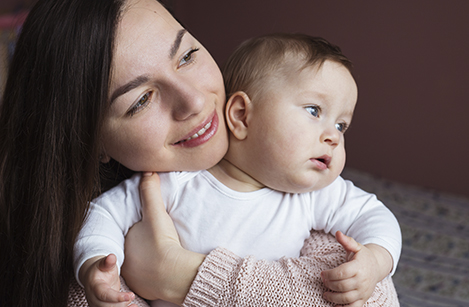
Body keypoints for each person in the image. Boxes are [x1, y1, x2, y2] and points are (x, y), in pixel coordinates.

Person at [0, 0, 399, 306]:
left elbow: (375, 293)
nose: (193, 101)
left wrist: (177, 274)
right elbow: (100, 220)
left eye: (187, 55)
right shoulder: (152, 196)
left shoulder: (307, 191)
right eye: (140, 100)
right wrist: (95, 266)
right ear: (92, 143)